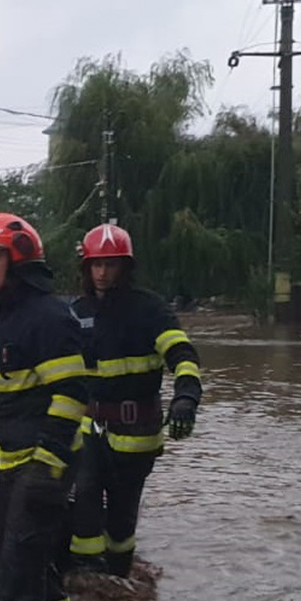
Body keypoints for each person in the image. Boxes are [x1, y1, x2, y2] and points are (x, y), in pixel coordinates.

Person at [0, 212, 89, 601]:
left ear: (17, 258)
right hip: (18, 465)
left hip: (41, 467)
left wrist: (46, 466)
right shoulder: (8, 317)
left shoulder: (48, 318)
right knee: (33, 564)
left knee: (15, 576)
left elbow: (72, 395)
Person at [66, 222, 202, 578]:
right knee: (85, 496)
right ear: (85, 268)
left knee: (122, 514)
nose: (102, 272)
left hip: (137, 429)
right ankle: (87, 579)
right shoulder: (76, 312)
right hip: (89, 426)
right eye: (96, 264)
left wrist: (186, 397)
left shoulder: (149, 310)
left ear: (125, 268)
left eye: (110, 264)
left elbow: (182, 354)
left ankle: (120, 576)